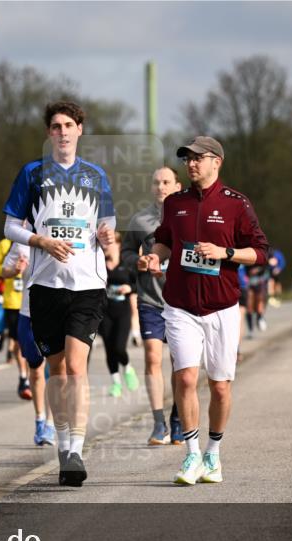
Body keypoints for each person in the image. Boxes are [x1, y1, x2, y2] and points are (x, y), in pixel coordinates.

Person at [138, 136, 270, 485]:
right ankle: (191, 454)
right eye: (188, 159)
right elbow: (165, 240)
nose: (192, 164)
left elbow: (261, 252)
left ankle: (213, 453)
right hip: (180, 304)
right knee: (184, 377)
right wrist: (156, 256)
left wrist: (225, 253)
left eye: (199, 158)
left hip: (222, 306)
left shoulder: (236, 204)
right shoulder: (175, 203)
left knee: (220, 386)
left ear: (217, 162)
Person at [3, 100, 116, 486]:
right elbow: (10, 227)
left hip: (87, 284)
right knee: (56, 370)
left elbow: (108, 228)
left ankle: (76, 451)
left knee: (77, 367)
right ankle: (63, 443)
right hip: (45, 284)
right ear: (49, 133)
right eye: (56, 126)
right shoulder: (32, 174)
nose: (63, 132)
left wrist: (106, 237)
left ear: (80, 130)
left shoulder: (96, 176)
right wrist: (41, 241)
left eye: (69, 125)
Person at [120, 166, 183, 446]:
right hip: (150, 300)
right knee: (153, 359)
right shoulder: (140, 220)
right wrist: (138, 261)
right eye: (157, 182)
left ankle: (178, 418)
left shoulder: (187, 216)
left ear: (177, 186)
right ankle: (159, 424)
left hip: (182, 301)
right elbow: (126, 254)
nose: (161, 187)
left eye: (167, 182)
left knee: (180, 363)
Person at [1, 239, 57, 446]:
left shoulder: (57, 235)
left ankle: (50, 425)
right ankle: (40, 418)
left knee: (54, 369)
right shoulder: (21, 242)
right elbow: (5, 271)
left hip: (53, 313)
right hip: (27, 312)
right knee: (35, 367)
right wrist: (15, 269)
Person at [0, 236, 31, 399]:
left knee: (34, 342)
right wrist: (11, 268)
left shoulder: (42, 237)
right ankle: (24, 378)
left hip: (35, 300)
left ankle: (37, 376)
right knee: (18, 344)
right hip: (13, 302)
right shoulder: (7, 244)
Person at [99, 233, 139, 397]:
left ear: (118, 245)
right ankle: (116, 383)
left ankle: (128, 367)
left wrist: (129, 289)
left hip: (122, 312)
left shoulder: (127, 265)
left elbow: (138, 284)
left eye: (110, 243)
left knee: (119, 348)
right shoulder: (98, 264)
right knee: (109, 349)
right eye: (104, 244)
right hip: (104, 313)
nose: (106, 246)